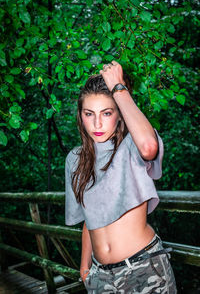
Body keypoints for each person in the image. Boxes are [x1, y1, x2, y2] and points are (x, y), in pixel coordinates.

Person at [65, 61, 177, 293]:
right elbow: (90, 218)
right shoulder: (75, 159)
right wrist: (85, 267)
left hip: (144, 269)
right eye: (89, 114)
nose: (97, 123)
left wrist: (118, 86)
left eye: (107, 113)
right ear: (80, 116)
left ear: (118, 114)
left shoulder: (131, 146)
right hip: (100, 276)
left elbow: (149, 148)